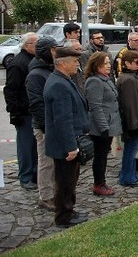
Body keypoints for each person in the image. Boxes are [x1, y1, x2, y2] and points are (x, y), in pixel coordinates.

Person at [44, 47, 88, 228]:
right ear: (62, 63)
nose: (77, 64)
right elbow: (63, 119)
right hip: (65, 145)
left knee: (70, 180)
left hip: (70, 141)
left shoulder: (63, 80)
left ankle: (69, 210)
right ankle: (63, 217)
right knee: (64, 182)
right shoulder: (58, 84)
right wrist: (71, 147)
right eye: (74, 61)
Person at [26, 36, 58, 210]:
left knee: (54, 162)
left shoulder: (48, 69)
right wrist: (47, 127)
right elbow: (37, 104)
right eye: (53, 49)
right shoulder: (36, 75)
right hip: (45, 126)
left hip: (53, 124)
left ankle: (53, 191)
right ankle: (45, 196)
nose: (56, 53)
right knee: (46, 162)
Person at [84, 52, 122, 195]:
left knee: (103, 155)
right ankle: (99, 183)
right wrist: (103, 127)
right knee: (100, 156)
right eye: (105, 63)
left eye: (108, 63)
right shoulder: (94, 81)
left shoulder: (105, 79)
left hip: (110, 122)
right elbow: (95, 107)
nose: (108, 66)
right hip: (102, 125)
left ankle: (101, 182)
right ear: (97, 65)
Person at [4, 32, 38, 190]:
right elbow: (11, 90)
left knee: (34, 146)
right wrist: (14, 112)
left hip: (32, 110)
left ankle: (34, 174)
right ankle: (25, 177)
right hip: (24, 112)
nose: (38, 47)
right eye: (35, 44)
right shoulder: (18, 63)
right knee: (25, 146)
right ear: (27, 46)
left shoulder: (33, 60)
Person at [116, 50, 138, 186]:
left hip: (135, 119)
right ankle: (127, 177)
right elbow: (130, 104)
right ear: (127, 63)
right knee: (130, 150)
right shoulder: (128, 80)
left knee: (132, 150)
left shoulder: (132, 78)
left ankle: (130, 175)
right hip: (133, 121)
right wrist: (133, 125)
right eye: (137, 62)